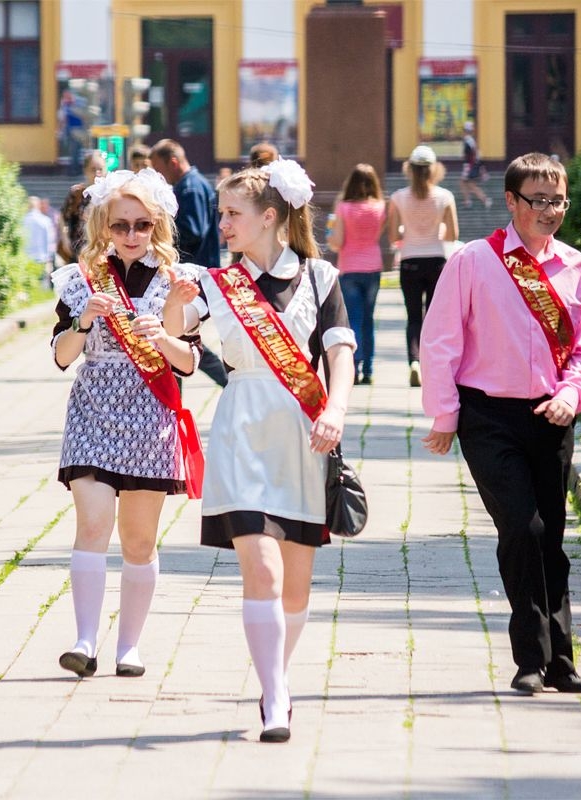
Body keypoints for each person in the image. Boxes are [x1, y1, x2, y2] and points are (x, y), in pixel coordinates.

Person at [420, 152, 581, 697]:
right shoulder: (474, 261)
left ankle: (561, 663)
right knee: (522, 529)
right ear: (511, 201)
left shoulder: (577, 268)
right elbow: (440, 340)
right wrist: (445, 415)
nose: (550, 211)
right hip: (489, 416)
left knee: (550, 538)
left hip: (551, 417)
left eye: (558, 201)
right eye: (539, 201)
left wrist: (572, 395)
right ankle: (529, 657)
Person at [180, 160, 355, 743]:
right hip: (240, 429)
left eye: (232, 214)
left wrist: (335, 410)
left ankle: (273, 677)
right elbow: (178, 336)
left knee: (297, 587)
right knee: (261, 564)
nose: (222, 223)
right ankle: (277, 699)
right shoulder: (212, 282)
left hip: (302, 435)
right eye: (223, 213)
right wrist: (174, 306)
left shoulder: (319, 278)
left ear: (270, 217)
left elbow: (340, 354)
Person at [50, 168, 203, 679]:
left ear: (156, 225)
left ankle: (129, 646)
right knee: (92, 523)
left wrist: (164, 333)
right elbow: (61, 355)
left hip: (150, 416)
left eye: (141, 225)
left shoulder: (177, 283)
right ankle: (85, 640)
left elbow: (188, 363)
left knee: (138, 540)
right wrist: (83, 321)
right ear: (103, 227)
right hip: (94, 407)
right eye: (120, 226)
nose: (130, 236)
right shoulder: (82, 279)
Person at [150, 138, 229, 387]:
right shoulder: (190, 185)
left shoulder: (191, 188)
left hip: (193, 274)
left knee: (180, 338)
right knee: (178, 337)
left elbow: (193, 230)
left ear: (173, 162)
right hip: (193, 275)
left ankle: (227, 380)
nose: (158, 176)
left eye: (159, 169)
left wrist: (161, 238)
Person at [387, 145, 459, 388]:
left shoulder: (398, 198)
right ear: (434, 170)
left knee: (413, 317)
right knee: (435, 318)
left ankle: (414, 362)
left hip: (410, 260)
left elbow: (392, 236)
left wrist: (406, 231)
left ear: (410, 169)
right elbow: (452, 235)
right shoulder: (445, 197)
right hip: (437, 261)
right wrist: (437, 230)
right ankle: (433, 366)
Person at [327, 163, 386, 385]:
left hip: (350, 267)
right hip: (373, 267)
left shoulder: (343, 207)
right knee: (369, 319)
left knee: (352, 319)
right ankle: (369, 368)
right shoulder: (380, 207)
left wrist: (330, 236)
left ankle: (354, 363)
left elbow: (337, 240)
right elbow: (377, 234)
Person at [58, 150, 107, 265]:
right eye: (93, 169)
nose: (97, 173)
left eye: (100, 169)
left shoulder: (110, 195)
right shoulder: (77, 193)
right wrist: (65, 240)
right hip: (77, 253)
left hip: (102, 254)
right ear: (85, 170)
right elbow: (62, 217)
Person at [23, 196, 55, 286]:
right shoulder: (45, 220)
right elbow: (49, 240)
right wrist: (49, 256)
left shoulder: (22, 220)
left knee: (28, 283)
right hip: (41, 256)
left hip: (26, 256)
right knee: (41, 283)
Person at [458, 121, 492, 209]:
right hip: (471, 165)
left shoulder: (468, 140)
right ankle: (469, 201)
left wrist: (471, 167)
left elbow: (472, 155)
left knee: (467, 184)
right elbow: (475, 154)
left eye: (465, 130)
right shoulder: (471, 140)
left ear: (465, 131)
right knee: (467, 183)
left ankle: (483, 200)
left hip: (469, 166)